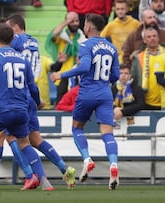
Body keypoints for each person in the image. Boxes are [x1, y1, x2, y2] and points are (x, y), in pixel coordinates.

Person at [0, 14, 77, 190]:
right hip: (27, 99)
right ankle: (57, 172)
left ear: (14, 30)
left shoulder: (9, 46)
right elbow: (28, 82)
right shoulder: (31, 44)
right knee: (31, 140)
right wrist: (38, 100)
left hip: (12, 99)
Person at [50, 13, 120, 190]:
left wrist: (61, 74)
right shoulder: (112, 48)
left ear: (88, 28)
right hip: (105, 94)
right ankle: (113, 165)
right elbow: (116, 76)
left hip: (87, 92)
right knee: (107, 133)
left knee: (77, 128)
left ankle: (87, 159)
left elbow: (84, 67)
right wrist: (104, 81)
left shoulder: (85, 45)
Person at [45, 11, 86, 104]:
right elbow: (54, 33)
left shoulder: (82, 37)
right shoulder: (62, 36)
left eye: (77, 21)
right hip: (62, 75)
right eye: (72, 21)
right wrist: (67, 22)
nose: (75, 23)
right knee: (61, 103)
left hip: (77, 74)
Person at [130, 27, 165, 110]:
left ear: (158, 38)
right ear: (144, 40)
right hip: (147, 101)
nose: (152, 38)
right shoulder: (139, 57)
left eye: (154, 36)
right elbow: (133, 79)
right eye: (149, 37)